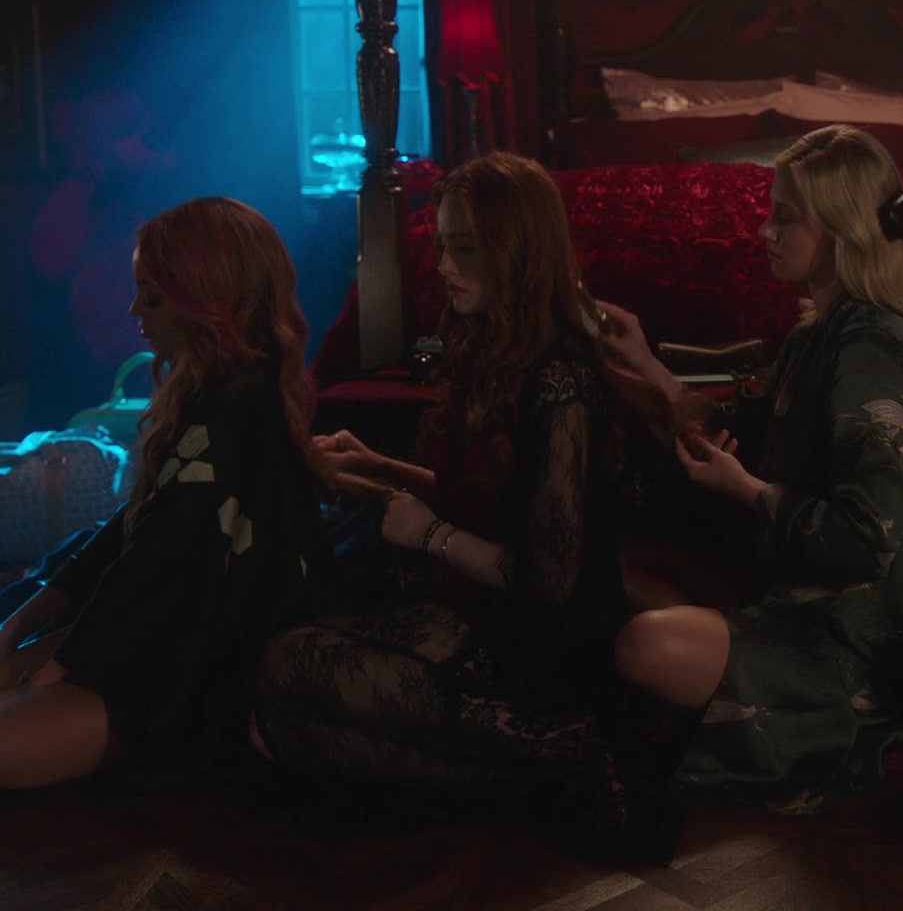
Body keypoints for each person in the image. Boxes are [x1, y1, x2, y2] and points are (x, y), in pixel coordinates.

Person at [249, 152, 677, 863]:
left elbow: (553, 583)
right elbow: (492, 499)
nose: (445, 267)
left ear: (517, 254)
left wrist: (432, 536)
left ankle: (561, 745)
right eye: (444, 246)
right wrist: (383, 467)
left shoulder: (563, 384)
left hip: (550, 650)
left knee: (291, 676)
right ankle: (527, 780)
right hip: (485, 613)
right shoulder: (492, 346)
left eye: (466, 249)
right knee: (280, 710)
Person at [0, 198, 337, 791]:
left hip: (212, 651)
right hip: (171, 619)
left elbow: (155, 560)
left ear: (205, 301)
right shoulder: (207, 386)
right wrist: (11, 633)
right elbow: (135, 525)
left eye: (152, 297)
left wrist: (46, 677)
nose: (134, 310)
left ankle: (195, 737)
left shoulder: (242, 404)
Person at [595, 123, 903, 811]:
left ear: (843, 230)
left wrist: (749, 492)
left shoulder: (870, 347)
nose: (765, 232)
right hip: (788, 592)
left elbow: (864, 539)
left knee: (644, 648)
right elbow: (740, 429)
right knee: (606, 579)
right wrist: (643, 363)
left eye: (786, 218)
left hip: (852, 637)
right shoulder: (820, 330)